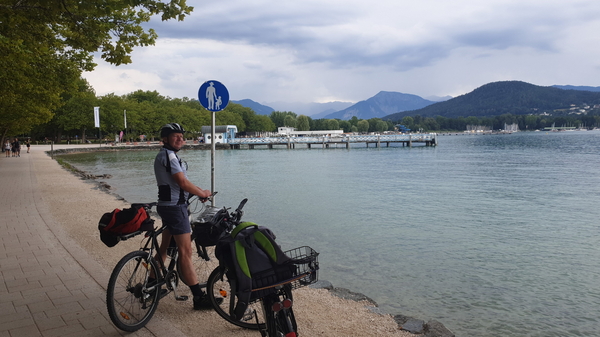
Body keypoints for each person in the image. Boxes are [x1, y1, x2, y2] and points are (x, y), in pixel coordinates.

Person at [154, 122, 213, 309]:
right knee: (185, 252)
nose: (180, 139)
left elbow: (180, 184)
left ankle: (149, 285)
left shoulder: (164, 155)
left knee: (164, 248)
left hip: (165, 206)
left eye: (181, 136)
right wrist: (202, 193)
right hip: (176, 209)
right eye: (175, 136)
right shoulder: (170, 156)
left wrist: (195, 193)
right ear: (165, 139)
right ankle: (198, 297)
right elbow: (182, 182)